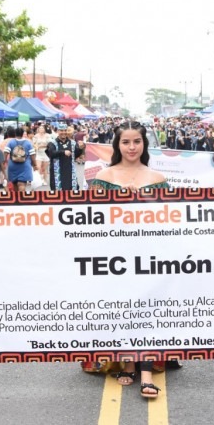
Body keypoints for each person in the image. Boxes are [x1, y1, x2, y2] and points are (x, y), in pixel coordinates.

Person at [87, 121, 169, 399]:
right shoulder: (104, 175)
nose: (132, 147)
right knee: (123, 308)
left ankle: (145, 371)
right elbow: (91, 219)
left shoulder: (157, 177)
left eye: (137, 142)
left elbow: (170, 220)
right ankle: (128, 362)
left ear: (145, 144)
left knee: (148, 308)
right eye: (126, 142)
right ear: (117, 145)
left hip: (150, 253)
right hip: (114, 254)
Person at [46, 123, 85, 190]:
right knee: (58, 195)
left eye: (65, 130)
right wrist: (63, 152)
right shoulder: (52, 143)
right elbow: (51, 153)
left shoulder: (72, 143)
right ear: (57, 131)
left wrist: (81, 148)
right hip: (57, 174)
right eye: (61, 130)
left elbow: (76, 155)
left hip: (70, 172)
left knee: (73, 193)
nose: (63, 132)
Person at [4, 127, 37, 192]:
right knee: (22, 184)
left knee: (15, 184)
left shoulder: (11, 142)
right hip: (25, 166)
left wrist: (3, 163)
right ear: (22, 134)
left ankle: (17, 200)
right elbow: (32, 155)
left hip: (13, 166)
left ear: (15, 134)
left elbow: (5, 153)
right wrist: (34, 165)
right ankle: (22, 200)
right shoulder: (28, 143)